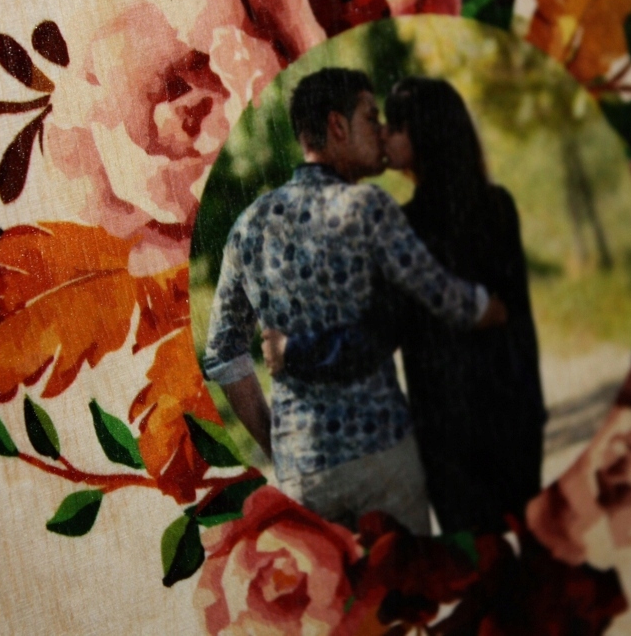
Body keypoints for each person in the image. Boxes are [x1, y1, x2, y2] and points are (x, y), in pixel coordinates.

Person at [202, 69, 506, 534]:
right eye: (371, 117)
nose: (380, 130)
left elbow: (223, 354)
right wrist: (495, 308)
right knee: (405, 578)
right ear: (337, 127)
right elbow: (445, 300)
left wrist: (278, 449)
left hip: (304, 474)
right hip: (382, 456)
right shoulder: (367, 207)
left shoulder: (249, 226)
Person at [265, 78, 547, 534]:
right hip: (514, 416)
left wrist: (291, 351)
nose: (382, 133)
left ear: (425, 135)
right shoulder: (497, 206)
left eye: (394, 126)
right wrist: (534, 410)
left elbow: (377, 334)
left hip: (451, 434)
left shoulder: (406, 225)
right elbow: (518, 324)